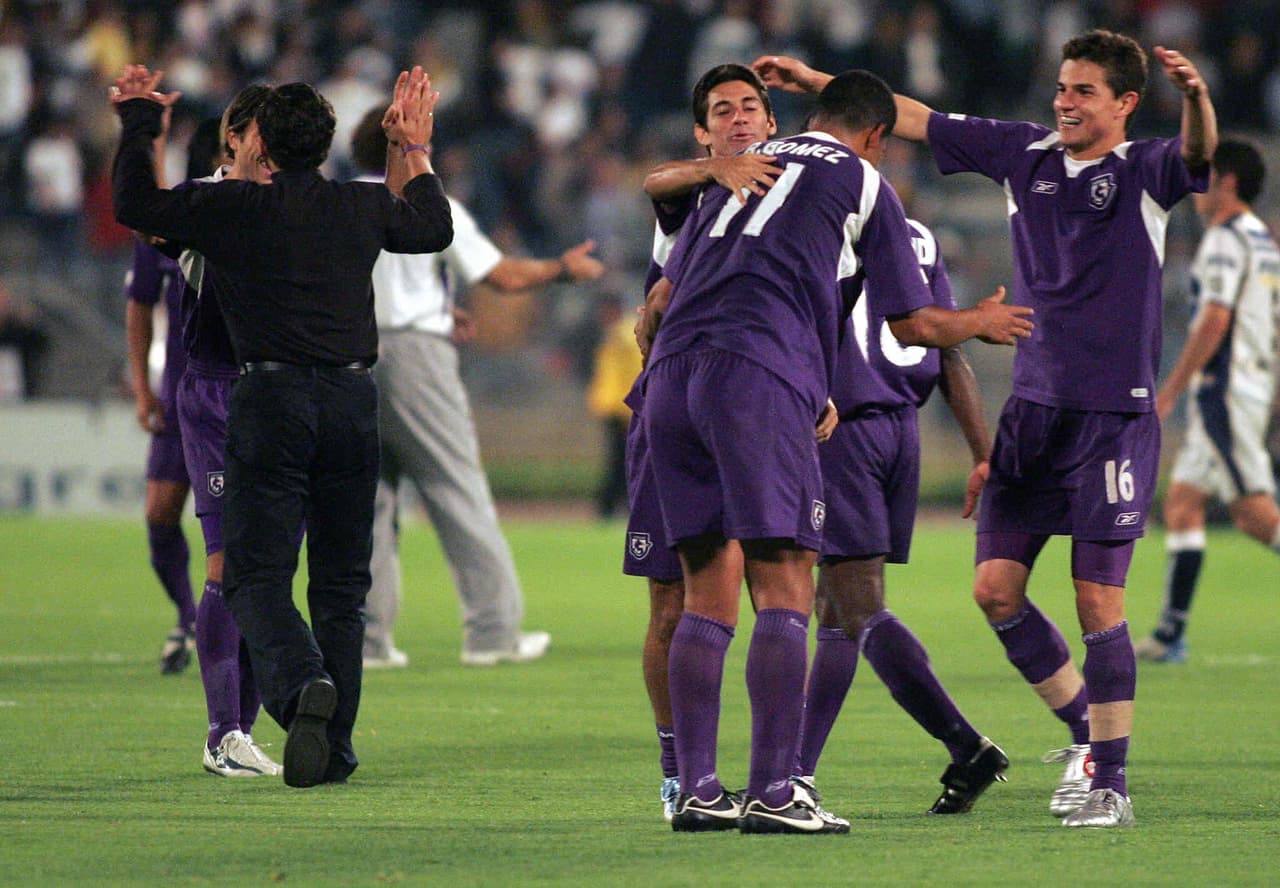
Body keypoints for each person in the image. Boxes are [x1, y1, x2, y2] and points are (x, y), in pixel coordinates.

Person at [755, 27, 1217, 828]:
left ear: (1125, 104)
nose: (1064, 103)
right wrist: (818, 85)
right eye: (1063, 88)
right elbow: (910, 117)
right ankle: (1084, 737)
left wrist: (1201, 99)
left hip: (1113, 416)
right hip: (1033, 414)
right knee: (995, 591)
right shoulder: (1022, 154)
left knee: (1097, 600)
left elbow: (1199, 157)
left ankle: (1110, 783)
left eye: (1083, 92)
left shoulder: (1145, 170)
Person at [638, 69, 1032, 835]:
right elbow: (911, 326)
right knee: (787, 584)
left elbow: (659, 299)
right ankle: (778, 795)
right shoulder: (864, 182)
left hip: (671, 381)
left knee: (705, 590)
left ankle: (697, 790)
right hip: (756, 377)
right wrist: (976, 322)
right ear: (877, 136)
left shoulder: (748, 160)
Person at [111, 64, 453, 788]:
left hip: (270, 400)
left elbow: (133, 202)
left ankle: (300, 691)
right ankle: (336, 750)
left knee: (255, 578)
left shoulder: (234, 207)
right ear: (327, 142)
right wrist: (414, 146)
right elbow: (432, 227)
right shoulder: (360, 206)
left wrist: (141, 122)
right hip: (355, 404)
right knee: (340, 587)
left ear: (260, 139)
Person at [347, 105, 602, 669]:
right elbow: (504, 276)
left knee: (367, 501)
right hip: (415, 354)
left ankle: (366, 642)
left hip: (348, 358)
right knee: (455, 488)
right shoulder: (427, 200)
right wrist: (560, 267)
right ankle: (492, 632)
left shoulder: (339, 202)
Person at [795, 214, 1009, 817]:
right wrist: (981, 452)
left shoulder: (806, 223)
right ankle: (797, 772)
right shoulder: (915, 234)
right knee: (836, 606)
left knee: (858, 604)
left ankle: (966, 744)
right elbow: (947, 348)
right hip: (899, 431)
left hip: (843, 429)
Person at [628, 63, 786, 824]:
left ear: (772, 119)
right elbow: (653, 179)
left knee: (769, 587)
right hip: (673, 406)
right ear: (703, 130)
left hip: (756, 400)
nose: (738, 119)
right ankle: (679, 771)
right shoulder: (691, 193)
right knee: (674, 599)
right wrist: (713, 170)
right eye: (721, 111)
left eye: (750, 106)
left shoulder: (795, 194)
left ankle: (769, 776)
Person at [1135, 139, 1280, 664]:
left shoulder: (1223, 240)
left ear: (1230, 183)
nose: (1197, 184)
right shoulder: (1262, 240)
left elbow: (1216, 319)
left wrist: (1168, 390)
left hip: (1225, 390)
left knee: (1255, 516)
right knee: (1183, 504)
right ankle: (1171, 633)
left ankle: (1171, 634)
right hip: (1246, 385)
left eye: (1207, 175)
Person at [171, 99, 280, 777]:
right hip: (216, 392)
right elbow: (139, 211)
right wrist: (138, 135)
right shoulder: (202, 204)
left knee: (268, 576)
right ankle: (221, 735)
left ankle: (241, 732)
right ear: (232, 139)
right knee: (228, 564)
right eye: (264, 142)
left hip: (282, 395)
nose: (274, 158)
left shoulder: (295, 205)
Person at [123, 104, 196, 674]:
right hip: (178, 395)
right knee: (159, 515)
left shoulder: (250, 219)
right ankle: (189, 617)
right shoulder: (171, 225)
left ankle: (236, 626)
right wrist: (143, 390)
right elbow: (139, 305)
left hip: (235, 394)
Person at [586, 294, 640, 521]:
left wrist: (632, 407)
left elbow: (632, 372)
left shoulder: (623, 335)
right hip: (617, 407)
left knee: (621, 461)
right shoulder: (618, 333)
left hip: (622, 409)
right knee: (621, 460)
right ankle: (616, 507)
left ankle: (611, 508)